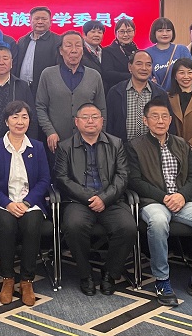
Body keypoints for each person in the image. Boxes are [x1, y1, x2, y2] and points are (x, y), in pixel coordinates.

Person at [127, 99, 192, 307]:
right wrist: (163, 197)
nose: (160, 121)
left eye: (164, 117)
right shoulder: (135, 146)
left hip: (182, 200)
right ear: (145, 120)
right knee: (158, 222)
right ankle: (162, 280)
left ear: (170, 120)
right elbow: (135, 181)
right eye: (155, 116)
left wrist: (181, 196)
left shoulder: (182, 144)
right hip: (153, 202)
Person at [55, 102, 135, 296]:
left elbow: (123, 176)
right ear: (76, 122)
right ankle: (86, 275)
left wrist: (104, 198)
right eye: (85, 117)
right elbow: (62, 178)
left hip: (111, 200)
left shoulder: (116, 144)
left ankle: (110, 273)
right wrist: (90, 197)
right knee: (74, 226)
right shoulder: (65, 146)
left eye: (95, 117)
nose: (90, 121)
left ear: (102, 121)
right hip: (78, 201)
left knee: (128, 228)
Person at [0, 101, 49, 306]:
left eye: (24, 117)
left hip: (30, 203)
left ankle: (27, 281)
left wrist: (27, 202)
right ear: (6, 121)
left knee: (32, 224)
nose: (20, 122)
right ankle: (8, 278)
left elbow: (44, 180)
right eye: (15, 117)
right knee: (7, 225)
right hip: (3, 203)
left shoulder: (37, 147)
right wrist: (8, 203)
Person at [36, 31, 106, 156]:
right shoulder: (48, 74)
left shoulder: (94, 76)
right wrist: (50, 131)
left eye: (78, 46)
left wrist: (99, 137)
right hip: (56, 143)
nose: (74, 50)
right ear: (61, 50)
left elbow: (101, 109)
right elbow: (40, 107)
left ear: (83, 50)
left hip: (88, 142)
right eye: (68, 45)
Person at [105, 50, 169, 142]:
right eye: (139, 64)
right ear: (130, 67)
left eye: (148, 65)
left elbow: (168, 125)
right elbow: (109, 124)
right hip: (122, 147)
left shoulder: (160, 94)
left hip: (152, 147)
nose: (144, 68)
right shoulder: (115, 92)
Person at [13, 6, 62, 94]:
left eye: (44, 19)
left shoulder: (58, 41)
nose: (40, 22)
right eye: (36, 19)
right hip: (22, 87)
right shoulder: (22, 40)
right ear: (30, 21)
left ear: (50, 22)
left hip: (45, 89)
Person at [145, 17, 191, 90]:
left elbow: (191, 73)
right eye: (160, 31)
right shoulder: (146, 53)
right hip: (157, 94)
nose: (165, 34)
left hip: (180, 94)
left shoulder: (182, 50)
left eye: (168, 30)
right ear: (154, 33)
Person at [101, 18, 138, 90]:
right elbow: (107, 74)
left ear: (134, 32)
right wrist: (132, 76)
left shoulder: (137, 51)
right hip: (116, 90)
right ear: (116, 33)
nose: (126, 35)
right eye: (122, 32)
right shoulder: (107, 51)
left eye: (129, 31)